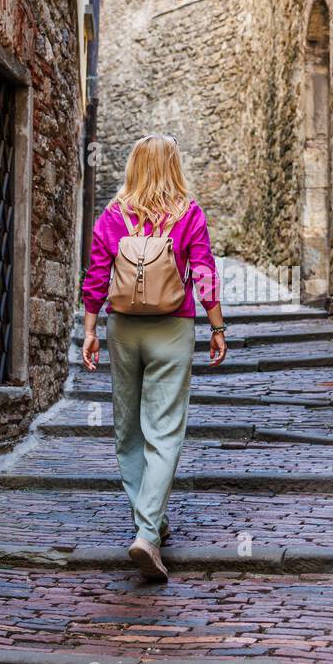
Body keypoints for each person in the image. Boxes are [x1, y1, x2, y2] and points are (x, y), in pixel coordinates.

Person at [80, 134, 227, 582]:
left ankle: (149, 522)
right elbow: (203, 272)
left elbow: (96, 274)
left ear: (134, 166)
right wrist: (217, 327)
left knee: (127, 430)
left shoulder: (112, 214)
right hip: (173, 328)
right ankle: (148, 531)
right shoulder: (189, 213)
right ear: (174, 166)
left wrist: (89, 329)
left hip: (123, 328)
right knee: (164, 430)